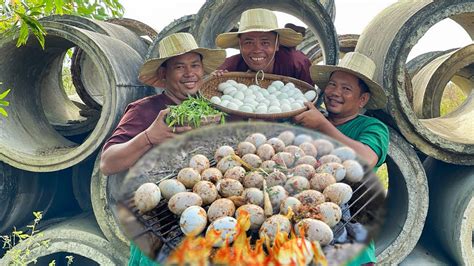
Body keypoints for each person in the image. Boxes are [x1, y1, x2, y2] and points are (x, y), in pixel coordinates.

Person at [99, 32, 226, 265]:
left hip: (202, 225)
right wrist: (148, 137)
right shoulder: (145, 110)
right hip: (160, 229)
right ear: (164, 74)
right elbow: (108, 163)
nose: (190, 73)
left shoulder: (209, 107)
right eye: (179, 67)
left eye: (195, 65)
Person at [294, 51, 389, 265]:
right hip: (306, 232)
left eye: (346, 89)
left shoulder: (371, 127)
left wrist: (322, 125)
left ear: (362, 99)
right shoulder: (309, 120)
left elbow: (366, 158)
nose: (335, 92)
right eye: (332, 85)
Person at [213, 8, 313, 85]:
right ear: (240, 45)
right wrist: (216, 78)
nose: (257, 50)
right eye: (249, 42)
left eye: (265, 43)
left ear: (277, 45)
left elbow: (310, 99)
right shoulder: (230, 67)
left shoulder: (298, 64)